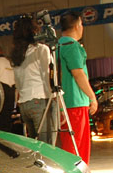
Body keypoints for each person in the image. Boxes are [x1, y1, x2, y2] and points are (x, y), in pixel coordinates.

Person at [10, 15, 58, 145]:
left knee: (36, 147)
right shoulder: (41, 50)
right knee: (47, 147)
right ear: (34, 31)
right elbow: (48, 76)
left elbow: (17, 83)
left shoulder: (16, 55)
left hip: (24, 104)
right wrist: (56, 99)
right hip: (41, 100)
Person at [57, 10, 97, 164]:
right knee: (78, 146)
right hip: (76, 103)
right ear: (77, 26)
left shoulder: (56, 47)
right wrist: (92, 97)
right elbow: (78, 74)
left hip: (63, 103)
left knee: (69, 144)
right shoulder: (72, 46)